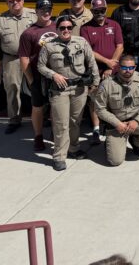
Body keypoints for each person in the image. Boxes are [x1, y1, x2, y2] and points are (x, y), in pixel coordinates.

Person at [38, 15, 100, 171]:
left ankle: (73, 148)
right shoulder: (49, 46)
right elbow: (40, 66)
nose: (66, 30)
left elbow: (91, 62)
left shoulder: (81, 42)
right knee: (61, 124)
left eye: (69, 28)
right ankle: (59, 156)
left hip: (79, 88)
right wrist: (54, 75)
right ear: (57, 29)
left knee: (75, 121)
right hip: (60, 90)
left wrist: (95, 82)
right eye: (62, 28)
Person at [93, 54, 139, 166]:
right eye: (124, 68)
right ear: (118, 67)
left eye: (130, 68)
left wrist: (137, 120)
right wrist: (117, 123)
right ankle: (110, 142)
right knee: (115, 161)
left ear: (135, 67)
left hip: (135, 118)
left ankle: (135, 142)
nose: (127, 71)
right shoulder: (107, 84)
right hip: (116, 123)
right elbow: (100, 109)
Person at [0, 0, 37, 133]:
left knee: (37, 87)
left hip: (32, 58)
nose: (15, 3)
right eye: (11, 1)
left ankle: (43, 117)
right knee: (12, 89)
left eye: (17, 0)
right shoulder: (0, 19)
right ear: (7, 4)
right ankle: (14, 119)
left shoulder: (34, 15)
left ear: (22, 1)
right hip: (11, 59)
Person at [81, 0, 124, 145]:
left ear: (106, 9)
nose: (99, 13)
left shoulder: (114, 24)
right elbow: (88, 50)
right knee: (95, 99)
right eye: (96, 10)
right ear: (91, 11)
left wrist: (110, 67)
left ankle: (112, 124)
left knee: (114, 98)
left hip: (114, 70)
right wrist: (107, 63)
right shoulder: (85, 28)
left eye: (102, 10)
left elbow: (120, 46)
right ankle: (96, 128)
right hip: (95, 70)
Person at [17, 0, 58, 151]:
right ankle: (38, 136)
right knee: (38, 107)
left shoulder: (59, 28)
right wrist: (31, 80)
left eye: (48, 9)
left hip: (56, 75)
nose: (46, 12)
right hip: (37, 76)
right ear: (36, 11)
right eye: (42, 10)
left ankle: (55, 132)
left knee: (56, 106)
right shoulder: (29, 33)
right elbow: (24, 58)